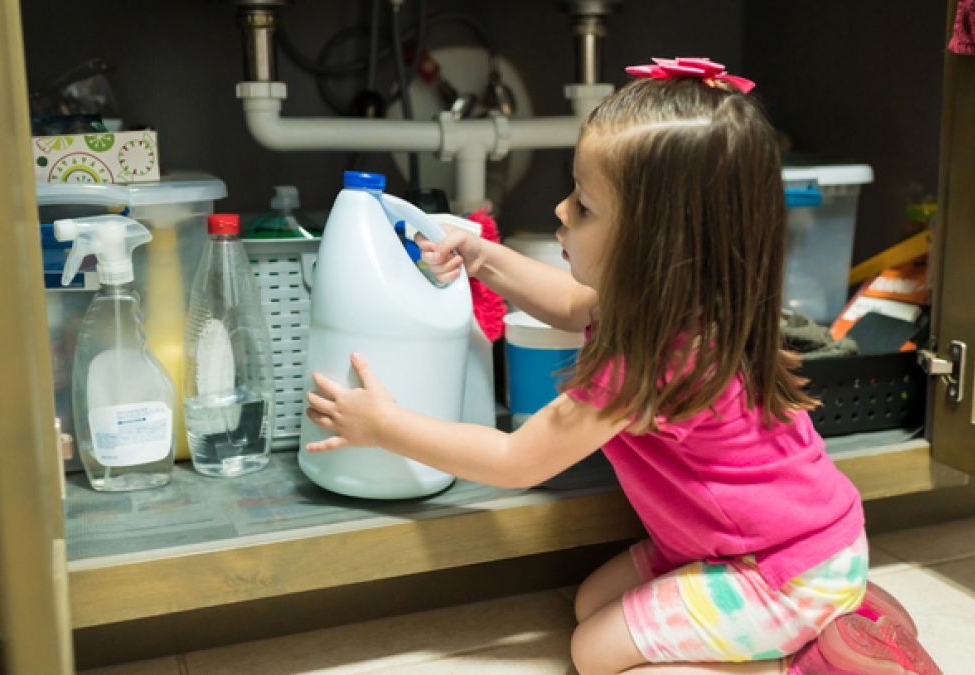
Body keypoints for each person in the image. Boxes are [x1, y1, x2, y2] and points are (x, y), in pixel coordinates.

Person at [304, 57, 941, 675]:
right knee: (590, 605)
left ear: (656, 244)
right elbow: (571, 303)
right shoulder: (683, 303)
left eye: (583, 205)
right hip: (778, 547)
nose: (559, 211)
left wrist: (385, 425)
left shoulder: (652, 359)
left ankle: (811, 658)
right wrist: (484, 257)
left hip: (777, 570)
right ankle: (833, 616)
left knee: (596, 653)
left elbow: (517, 460)